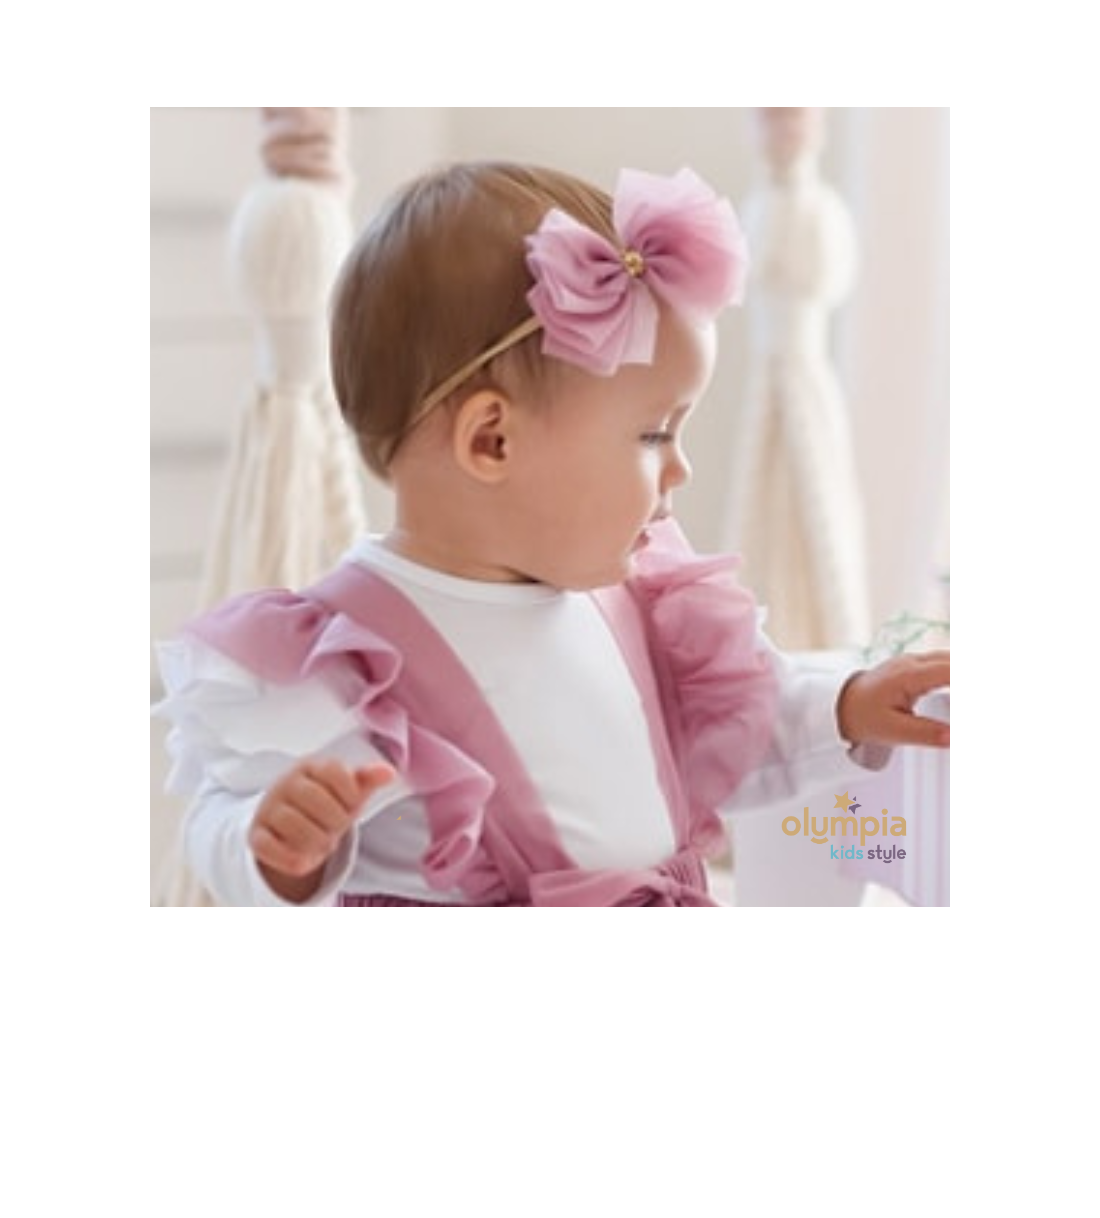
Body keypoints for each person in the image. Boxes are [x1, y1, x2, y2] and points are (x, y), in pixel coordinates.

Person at [155, 161, 949, 906]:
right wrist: (277, 848)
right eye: (653, 434)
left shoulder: (641, 601)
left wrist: (847, 705)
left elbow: (740, 735)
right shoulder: (349, 654)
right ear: (492, 441)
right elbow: (217, 817)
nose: (680, 468)